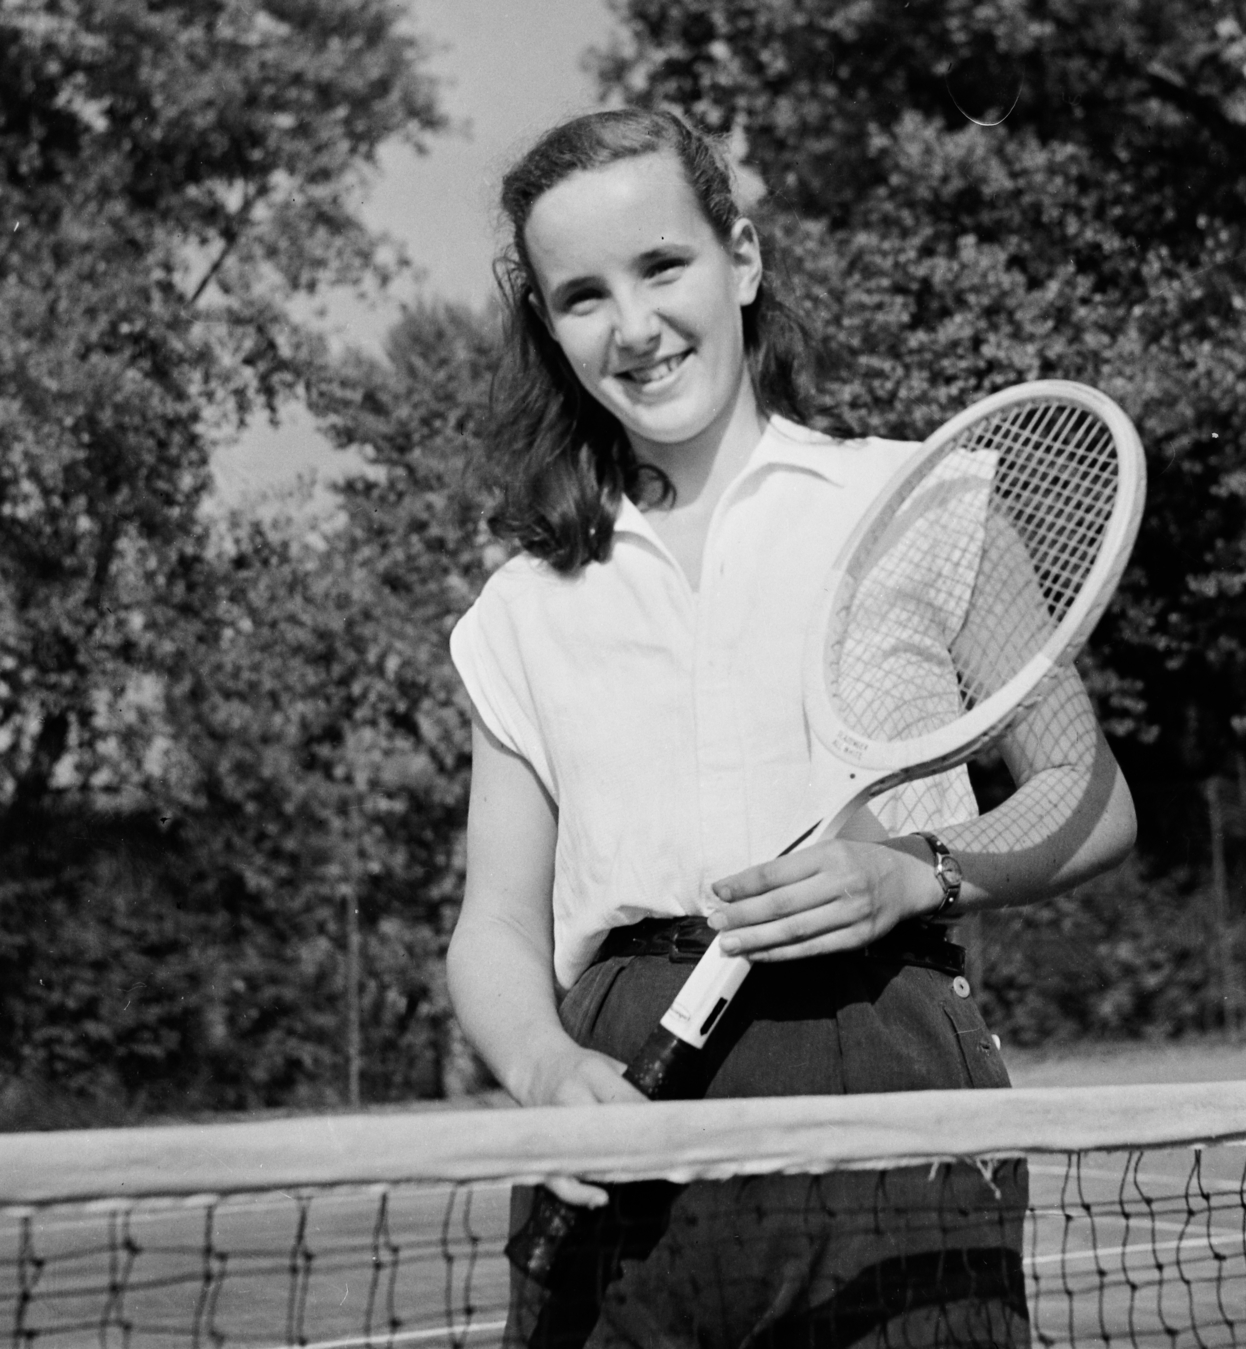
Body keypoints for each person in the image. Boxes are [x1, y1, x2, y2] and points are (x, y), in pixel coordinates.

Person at [446, 108, 1137, 1349]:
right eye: (583, 295)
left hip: (887, 1061)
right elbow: (496, 920)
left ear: (742, 259)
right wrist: (548, 1074)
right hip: (621, 1092)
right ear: (550, 330)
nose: (636, 325)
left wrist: (908, 874)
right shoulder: (521, 604)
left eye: (663, 266)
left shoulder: (923, 495)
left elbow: (1087, 793)